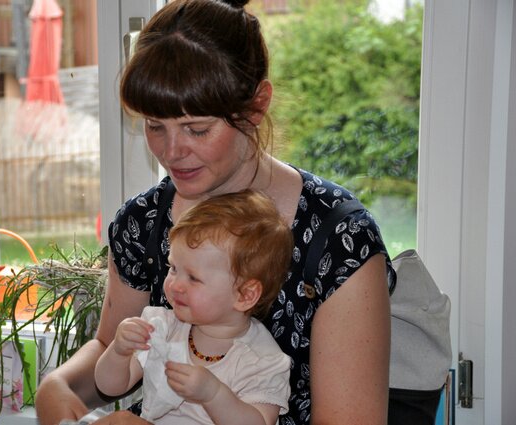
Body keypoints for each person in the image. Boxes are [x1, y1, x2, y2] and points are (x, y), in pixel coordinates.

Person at [35, 0, 395, 424]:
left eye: (197, 129)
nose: (171, 152)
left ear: (256, 107)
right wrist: (56, 389)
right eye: (154, 125)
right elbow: (110, 353)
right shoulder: (142, 223)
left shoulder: (339, 241)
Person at [94, 190, 293, 425]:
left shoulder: (262, 360)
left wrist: (214, 394)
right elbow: (109, 386)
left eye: (193, 278)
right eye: (173, 268)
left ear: (244, 295)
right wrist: (119, 351)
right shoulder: (161, 327)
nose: (175, 284)